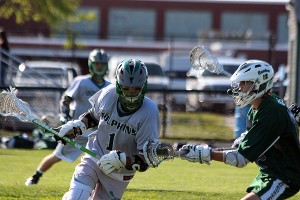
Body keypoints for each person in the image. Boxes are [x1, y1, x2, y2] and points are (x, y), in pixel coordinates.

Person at [180, 60, 300, 199]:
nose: (239, 88)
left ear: (259, 84)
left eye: (245, 83)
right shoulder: (261, 107)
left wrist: (206, 154)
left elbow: (240, 159)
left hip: (285, 175)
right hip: (270, 171)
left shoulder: (270, 112)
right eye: (240, 83)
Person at [58, 59, 160, 199]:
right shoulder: (108, 94)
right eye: (126, 88)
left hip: (119, 174)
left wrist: (123, 160)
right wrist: (78, 127)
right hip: (94, 156)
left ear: (144, 86)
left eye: (136, 89)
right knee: (76, 196)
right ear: (118, 85)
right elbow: (93, 117)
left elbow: (146, 159)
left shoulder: (149, 112)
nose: (130, 94)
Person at [25, 49, 111, 186]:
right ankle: (36, 176)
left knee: (104, 159)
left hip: (97, 133)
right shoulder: (81, 81)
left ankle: (102, 185)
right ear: (90, 65)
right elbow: (66, 99)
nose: (99, 67)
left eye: (102, 64)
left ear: (106, 66)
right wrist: (64, 115)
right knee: (57, 156)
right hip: (77, 130)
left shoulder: (109, 87)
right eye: (96, 64)